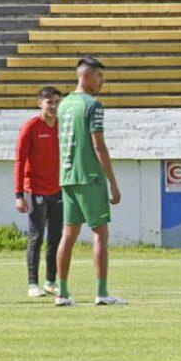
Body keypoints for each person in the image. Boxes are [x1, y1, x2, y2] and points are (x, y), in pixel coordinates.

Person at [54, 56, 125, 306]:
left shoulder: (63, 105)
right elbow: (98, 145)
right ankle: (102, 293)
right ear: (85, 76)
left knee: (68, 235)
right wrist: (113, 183)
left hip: (67, 176)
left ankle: (62, 293)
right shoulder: (93, 105)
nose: (102, 81)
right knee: (100, 234)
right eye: (99, 76)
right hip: (90, 177)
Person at [14, 86, 62, 298]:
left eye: (56, 102)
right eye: (49, 102)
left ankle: (50, 282)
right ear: (39, 104)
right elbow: (19, 161)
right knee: (36, 237)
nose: (53, 106)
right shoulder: (31, 126)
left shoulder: (62, 126)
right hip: (35, 191)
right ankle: (32, 284)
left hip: (58, 190)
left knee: (56, 238)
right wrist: (19, 194)